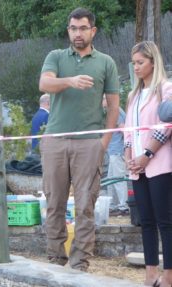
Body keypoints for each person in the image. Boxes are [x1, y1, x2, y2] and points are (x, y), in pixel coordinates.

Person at [39, 7, 120, 271]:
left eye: (83, 28)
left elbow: (114, 107)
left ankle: (79, 264)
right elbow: (44, 84)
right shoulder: (56, 56)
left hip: (89, 143)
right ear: (68, 31)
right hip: (55, 140)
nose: (77, 33)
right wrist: (71, 81)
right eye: (73, 28)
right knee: (54, 203)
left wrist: (103, 143)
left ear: (93, 31)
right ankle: (55, 259)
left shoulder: (106, 62)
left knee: (85, 205)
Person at [124, 41, 172, 287]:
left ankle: (169, 275)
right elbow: (128, 131)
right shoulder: (133, 95)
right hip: (137, 169)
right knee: (146, 221)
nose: (136, 68)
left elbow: (167, 125)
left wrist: (147, 155)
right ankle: (150, 272)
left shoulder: (166, 89)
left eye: (140, 63)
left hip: (160, 165)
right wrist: (129, 157)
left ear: (153, 62)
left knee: (166, 221)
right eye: (133, 63)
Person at [102, 98, 128, 215]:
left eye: (102, 99)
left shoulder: (115, 111)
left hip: (117, 151)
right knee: (111, 180)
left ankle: (123, 206)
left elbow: (124, 129)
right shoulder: (112, 111)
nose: (101, 102)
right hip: (112, 151)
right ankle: (112, 205)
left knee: (118, 179)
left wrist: (127, 149)